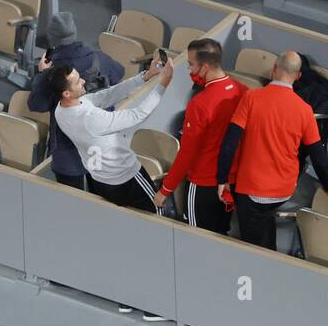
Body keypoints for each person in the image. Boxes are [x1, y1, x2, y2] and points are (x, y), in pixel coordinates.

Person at [215, 51, 328, 250]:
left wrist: (222, 179)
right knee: (265, 221)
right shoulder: (305, 110)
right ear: (298, 76)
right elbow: (319, 156)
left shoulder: (251, 98)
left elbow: (230, 143)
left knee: (255, 247)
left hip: (253, 190)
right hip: (284, 190)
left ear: (274, 69)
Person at [51, 56, 174, 212]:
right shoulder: (90, 119)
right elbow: (139, 114)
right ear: (67, 93)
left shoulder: (60, 111)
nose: (82, 81)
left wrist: (146, 76)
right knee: (157, 212)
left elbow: (109, 95)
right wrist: (163, 84)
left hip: (99, 179)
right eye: (77, 82)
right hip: (125, 178)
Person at [154, 38, 245, 234]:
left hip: (203, 185)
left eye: (191, 64)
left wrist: (165, 190)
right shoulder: (242, 91)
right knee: (221, 234)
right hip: (231, 182)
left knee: (196, 240)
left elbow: (187, 153)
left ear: (204, 67)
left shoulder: (200, 104)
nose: (189, 69)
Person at [29, 12, 125, 192]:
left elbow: (36, 104)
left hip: (67, 152)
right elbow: (119, 73)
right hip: (100, 146)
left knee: (73, 206)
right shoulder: (98, 58)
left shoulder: (51, 73)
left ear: (53, 37)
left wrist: (42, 73)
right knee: (105, 200)